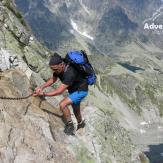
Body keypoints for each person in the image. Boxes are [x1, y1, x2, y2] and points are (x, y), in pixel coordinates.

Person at [33, 53, 88, 135]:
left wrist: (43, 94)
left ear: (62, 65)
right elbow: (53, 80)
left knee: (63, 104)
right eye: (52, 69)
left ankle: (70, 125)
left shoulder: (70, 73)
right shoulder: (58, 69)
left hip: (81, 90)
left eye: (55, 69)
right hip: (73, 90)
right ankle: (80, 123)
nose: (54, 71)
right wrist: (41, 87)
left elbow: (59, 91)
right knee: (76, 110)